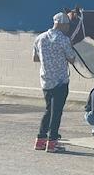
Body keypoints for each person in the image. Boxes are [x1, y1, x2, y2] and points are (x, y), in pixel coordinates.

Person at [33, 12, 77, 153]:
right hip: (60, 81)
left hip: (45, 80)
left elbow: (35, 58)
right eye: (67, 26)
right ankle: (52, 142)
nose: (68, 29)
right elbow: (72, 59)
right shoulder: (63, 39)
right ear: (62, 24)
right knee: (56, 112)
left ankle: (40, 140)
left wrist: (49, 60)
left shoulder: (39, 38)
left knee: (48, 110)